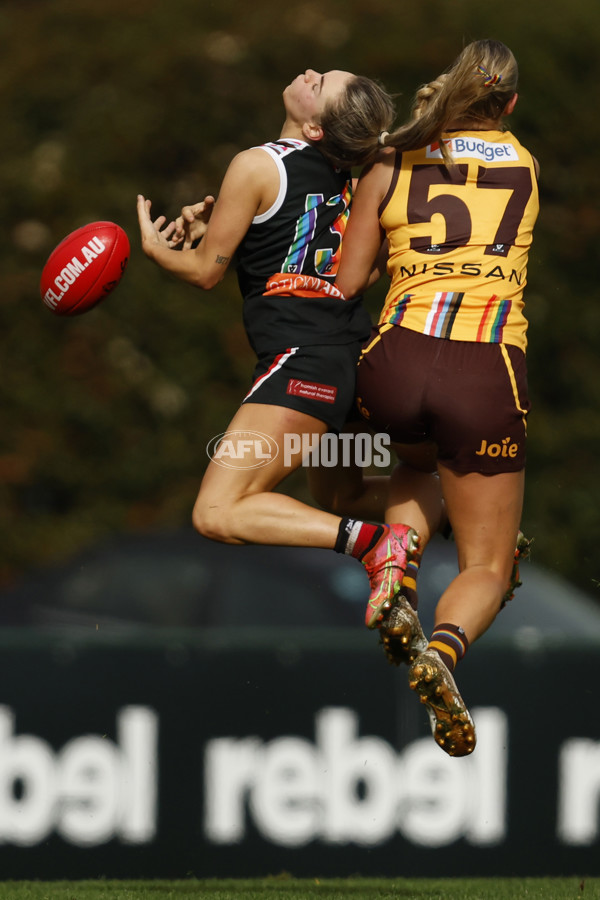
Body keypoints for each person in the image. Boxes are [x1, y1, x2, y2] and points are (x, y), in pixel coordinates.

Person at [137, 68, 432, 632]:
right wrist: (222, 228)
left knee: (217, 510)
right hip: (353, 365)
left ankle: (374, 544)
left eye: (322, 84)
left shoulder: (256, 164)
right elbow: (359, 269)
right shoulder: (364, 173)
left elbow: (203, 275)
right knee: (343, 493)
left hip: (304, 365)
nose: (311, 72)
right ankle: (462, 514)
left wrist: (156, 249)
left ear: (317, 128)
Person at [334, 40, 539, 757]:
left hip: (393, 365)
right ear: (509, 104)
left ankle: (395, 561)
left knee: (417, 465)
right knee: (490, 564)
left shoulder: (391, 159)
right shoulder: (525, 164)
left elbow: (348, 280)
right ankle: (443, 653)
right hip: (484, 372)